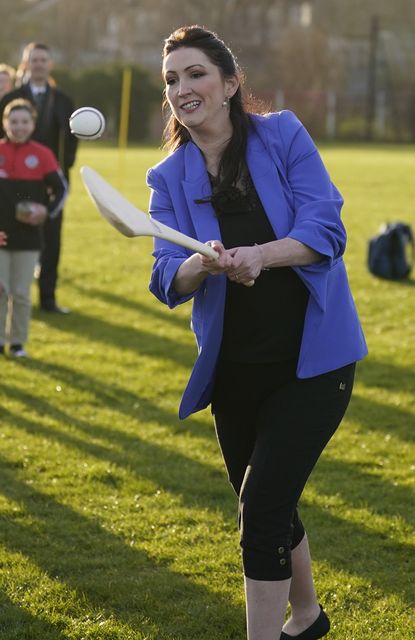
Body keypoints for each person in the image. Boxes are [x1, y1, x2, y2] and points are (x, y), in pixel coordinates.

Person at [147, 26, 368, 640]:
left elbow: (326, 228)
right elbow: (166, 278)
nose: (182, 88)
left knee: (263, 506)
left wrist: (259, 256)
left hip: (314, 362)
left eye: (195, 74)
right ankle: (308, 616)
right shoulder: (167, 179)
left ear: (230, 83)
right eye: (171, 79)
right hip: (236, 371)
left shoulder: (283, 135)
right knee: (265, 502)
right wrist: (200, 263)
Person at [0, 43, 78, 313]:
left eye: (43, 60)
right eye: (33, 60)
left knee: (52, 240)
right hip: (12, 184)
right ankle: (9, 299)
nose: (39, 64)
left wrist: (60, 167)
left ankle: (47, 299)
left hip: (49, 182)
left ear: (50, 64)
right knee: (9, 240)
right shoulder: (11, 98)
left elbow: (71, 140)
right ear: (25, 64)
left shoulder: (63, 100)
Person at [0, 99, 67, 357]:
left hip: (29, 237)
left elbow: (61, 190)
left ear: (32, 125)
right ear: (5, 123)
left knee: (20, 293)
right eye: (13, 122)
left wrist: (45, 211)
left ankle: (17, 343)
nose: (18, 127)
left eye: (24, 122)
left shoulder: (42, 154)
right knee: (1, 290)